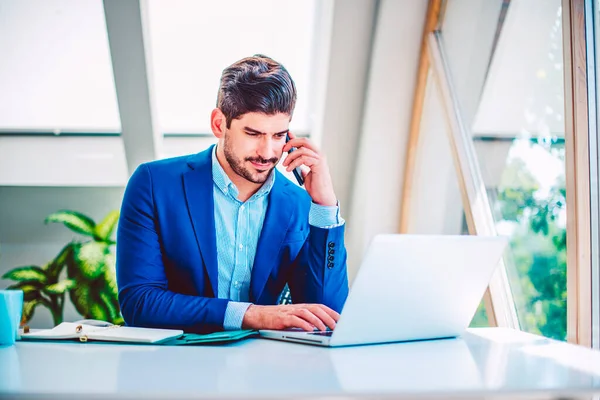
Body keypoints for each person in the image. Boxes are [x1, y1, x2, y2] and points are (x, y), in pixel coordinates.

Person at [116, 54, 349, 333]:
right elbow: (139, 304)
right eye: (253, 133)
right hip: (176, 364)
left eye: (278, 136)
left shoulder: (298, 203)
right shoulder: (154, 184)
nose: (267, 152)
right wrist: (252, 315)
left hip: (261, 366)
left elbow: (327, 315)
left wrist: (324, 206)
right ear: (219, 124)